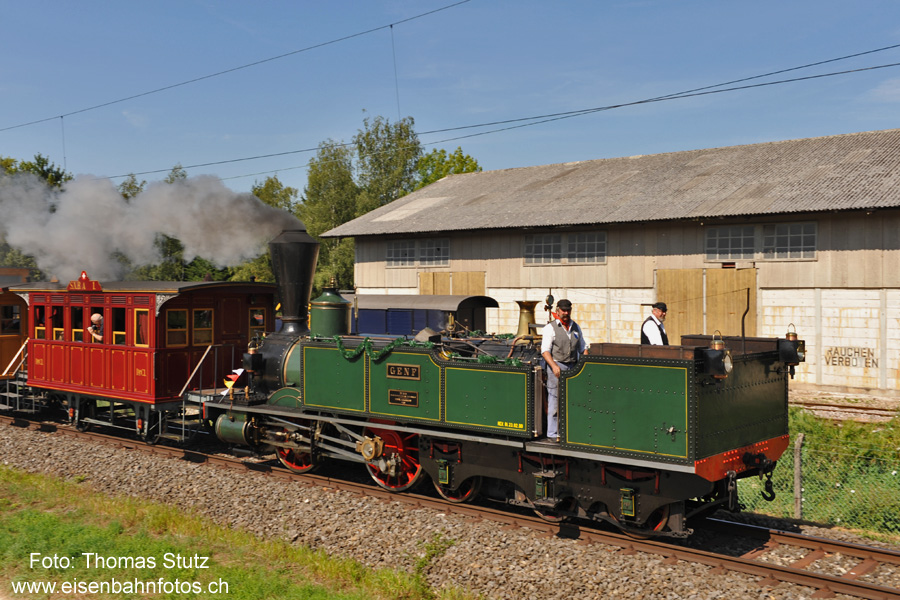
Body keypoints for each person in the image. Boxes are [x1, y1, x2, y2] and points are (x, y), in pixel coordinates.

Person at [540, 299, 588, 443]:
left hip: (573, 366)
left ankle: (569, 430)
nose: (566, 313)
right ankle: (552, 433)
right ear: (558, 310)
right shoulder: (550, 328)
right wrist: (554, 366)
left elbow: (583, 347)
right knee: (555, 399)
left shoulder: (576, 327)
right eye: (563, 310)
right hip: (557, 365)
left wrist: (585, 365)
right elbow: (545, 351)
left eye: (568, 310)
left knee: (572, 399)